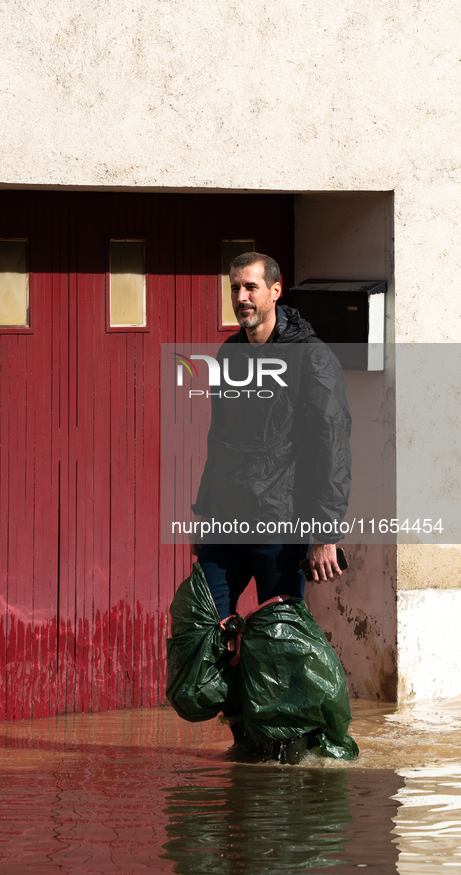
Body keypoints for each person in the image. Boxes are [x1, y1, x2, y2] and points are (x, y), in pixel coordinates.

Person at [190, 252, 352, 760]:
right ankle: (246, 738)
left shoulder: (314, 358)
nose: (241, 297)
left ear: (276, 291)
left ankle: (290, 747)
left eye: (251, 288)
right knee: (208, 633)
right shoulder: (229, 356)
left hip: (279, 527)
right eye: (235, 288)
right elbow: (221, 443)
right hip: (223, 524)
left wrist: (325, 532)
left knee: (281, 644)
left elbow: (332, 445)